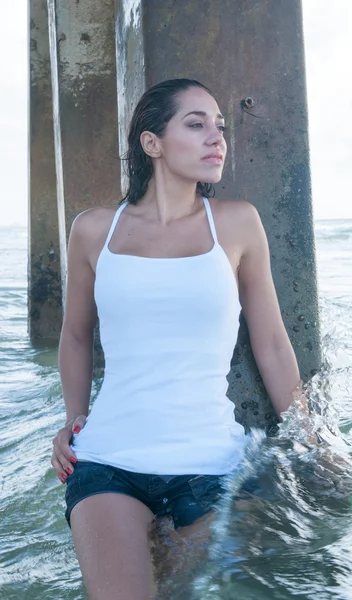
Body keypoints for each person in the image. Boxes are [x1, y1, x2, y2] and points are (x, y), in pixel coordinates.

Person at [51, 78, 311, 600]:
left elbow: (273, 344)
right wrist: (70, 421)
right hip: (108, 461)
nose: (217, 138)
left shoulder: (237, 224)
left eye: (220, 126)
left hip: (213, 467)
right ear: (152, 144)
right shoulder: (93, 229)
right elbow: (77, 336)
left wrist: (305, 432)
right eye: (196, 125)